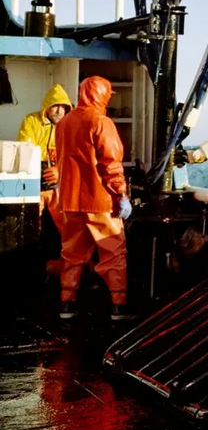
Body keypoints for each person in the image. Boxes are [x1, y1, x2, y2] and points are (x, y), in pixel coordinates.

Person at [55, 76, 133, 321]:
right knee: (113, 252)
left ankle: (67, 304)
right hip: (100, 201)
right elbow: (111, 163)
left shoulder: (64, 122)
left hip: (69, 200)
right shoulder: (102, 122)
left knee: (72, 254)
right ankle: (119, 306)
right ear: (102, 95)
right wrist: (121, 194)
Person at [16, 83, 72, 237]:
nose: (60, 111)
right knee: (32, 222)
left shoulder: (70, 125)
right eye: (55, 106)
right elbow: (25, 149)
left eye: (64, 107)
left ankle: (71, 259)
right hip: (35, 181)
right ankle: (32, 257)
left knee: (67, 222)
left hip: (59, 184)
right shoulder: (31, 121)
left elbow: (74, 154)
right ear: (46, 107)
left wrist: (59, 170)